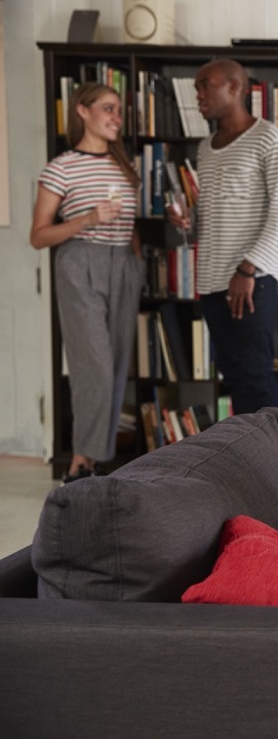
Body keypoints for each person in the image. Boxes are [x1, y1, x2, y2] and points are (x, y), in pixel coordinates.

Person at [169, 58, 278, 414]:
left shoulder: (271, 138)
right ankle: (246, 463)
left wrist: (246, 271)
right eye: (197, 87)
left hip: (250, 280)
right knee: (235, 378)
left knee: (256, 379)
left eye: (205, 85)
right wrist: (186, 221)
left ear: (235, 88)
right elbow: (210, 218)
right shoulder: (206, 148)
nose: (198, 95)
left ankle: (275, 467)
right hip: (212, 283)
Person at [31, 83, 142, 483]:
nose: (117, 117)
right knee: (92, 365)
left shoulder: (124, 165)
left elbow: (130, 226)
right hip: (81, 262)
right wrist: (87, 220)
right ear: (82, 110)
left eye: (119, 111)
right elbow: (39, 236)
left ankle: (95, 461)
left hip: (124, 265)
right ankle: (80, 463)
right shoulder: (61, 167)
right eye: (108, 108)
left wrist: (137, 261)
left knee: (114, 367)